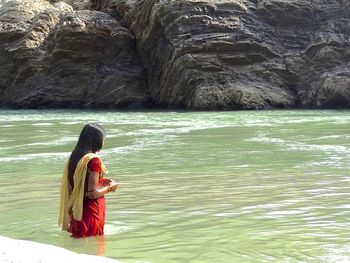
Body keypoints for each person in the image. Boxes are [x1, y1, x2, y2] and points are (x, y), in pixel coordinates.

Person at [59, 123, 118, 238]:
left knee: (77, 247)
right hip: (91, 212)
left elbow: (79, 181)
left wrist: (101, 181)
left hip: (77, 210)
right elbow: (92, 193)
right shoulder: (94, 161)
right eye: (103, 139)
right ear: (97, 141)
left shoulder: (75, 157)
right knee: (95, 247)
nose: (103, 142)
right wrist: (111, 187)